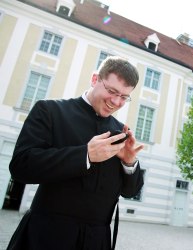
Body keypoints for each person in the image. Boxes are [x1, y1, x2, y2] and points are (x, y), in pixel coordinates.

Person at [7, 56, 144, 250]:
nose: (116, 101)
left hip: (97, 241)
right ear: (95, 79)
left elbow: (130, 192)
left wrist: (129, 163)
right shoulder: (49, 111)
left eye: (124, 97)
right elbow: (21, 167)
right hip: (46, 237)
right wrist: (85, 155)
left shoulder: (121, 131)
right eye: (112, 91)